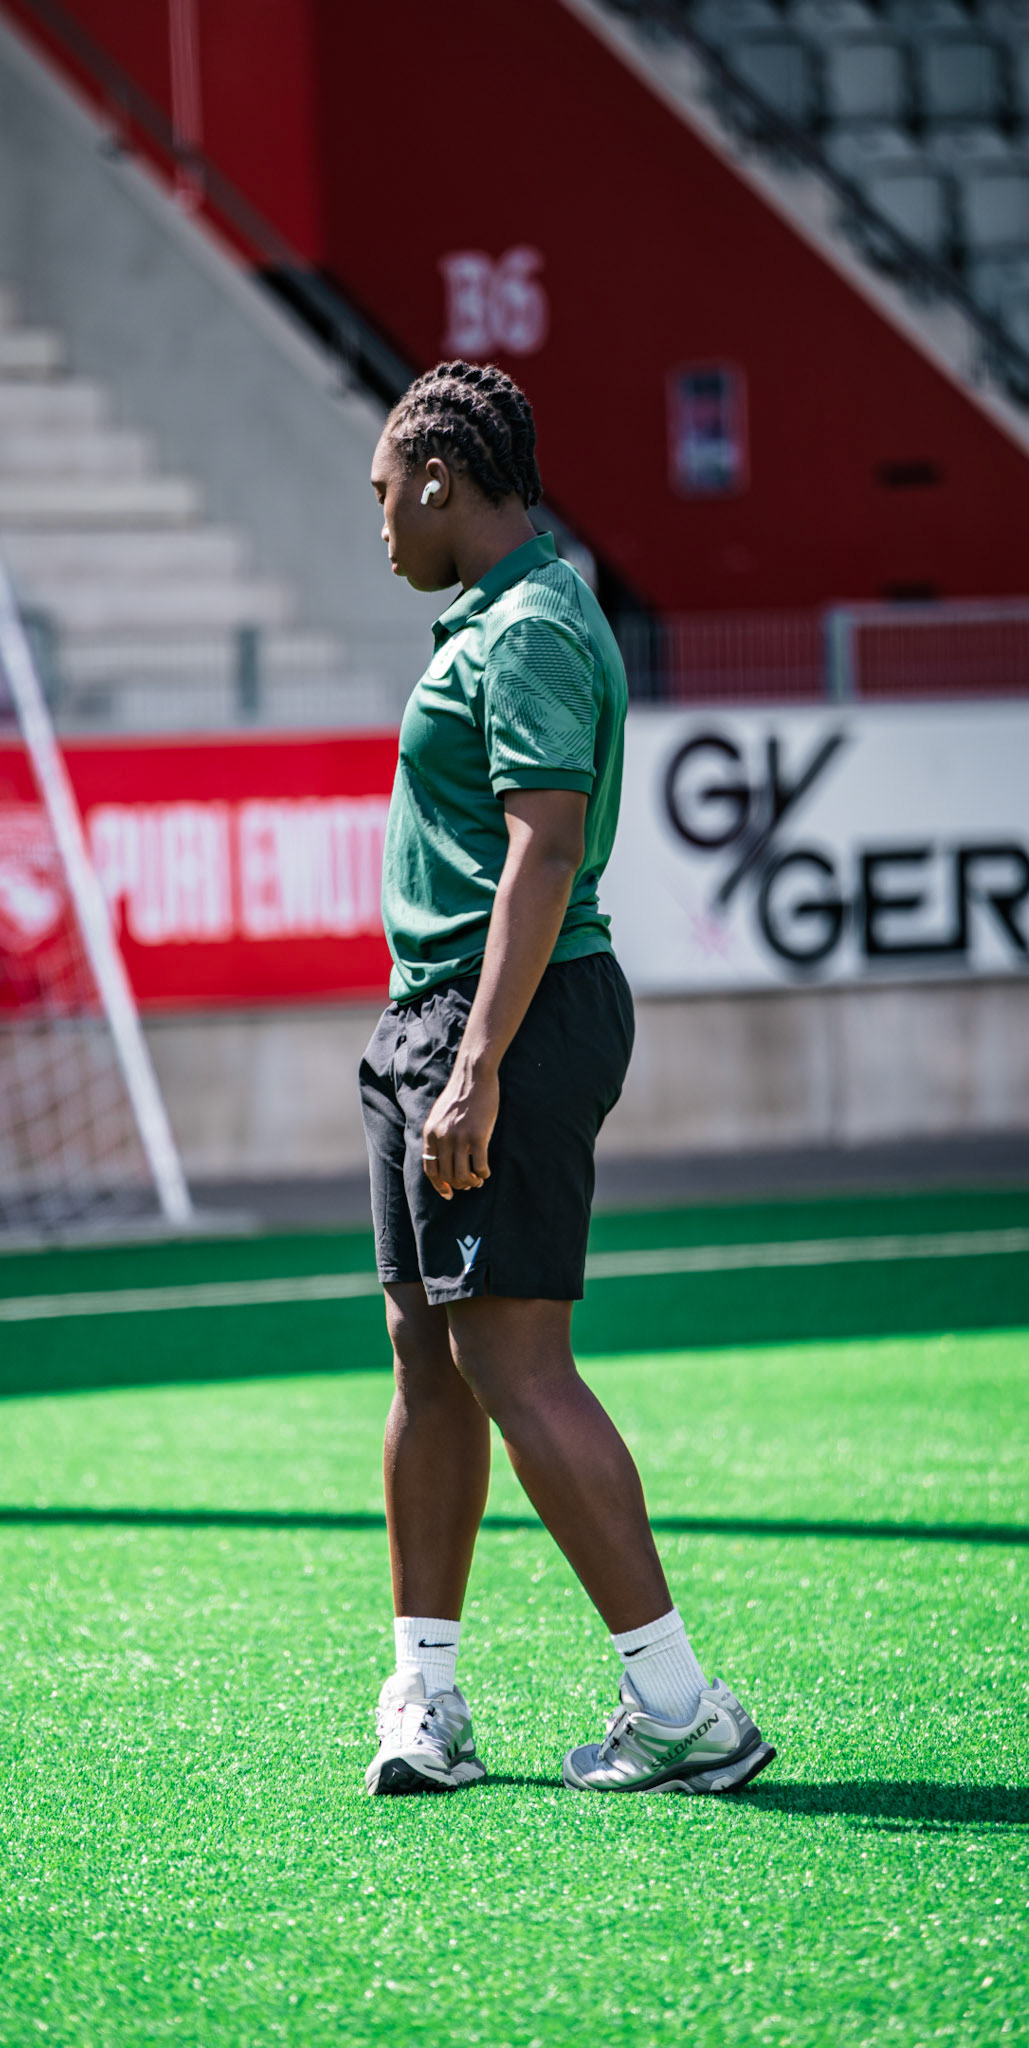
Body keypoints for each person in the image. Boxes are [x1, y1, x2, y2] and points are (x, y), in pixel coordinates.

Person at [360, 361, 774, 1798]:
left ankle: (678, 1708)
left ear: (435, 477)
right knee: (427, 1344)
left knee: (513, 1361)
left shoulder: (531, 621)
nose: (380, 529)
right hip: (437, 1020)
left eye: (383, 497)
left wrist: (473, 1065)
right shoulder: (500, 608)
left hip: (503, 1024)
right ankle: (425, 1697)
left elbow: (544, 846)